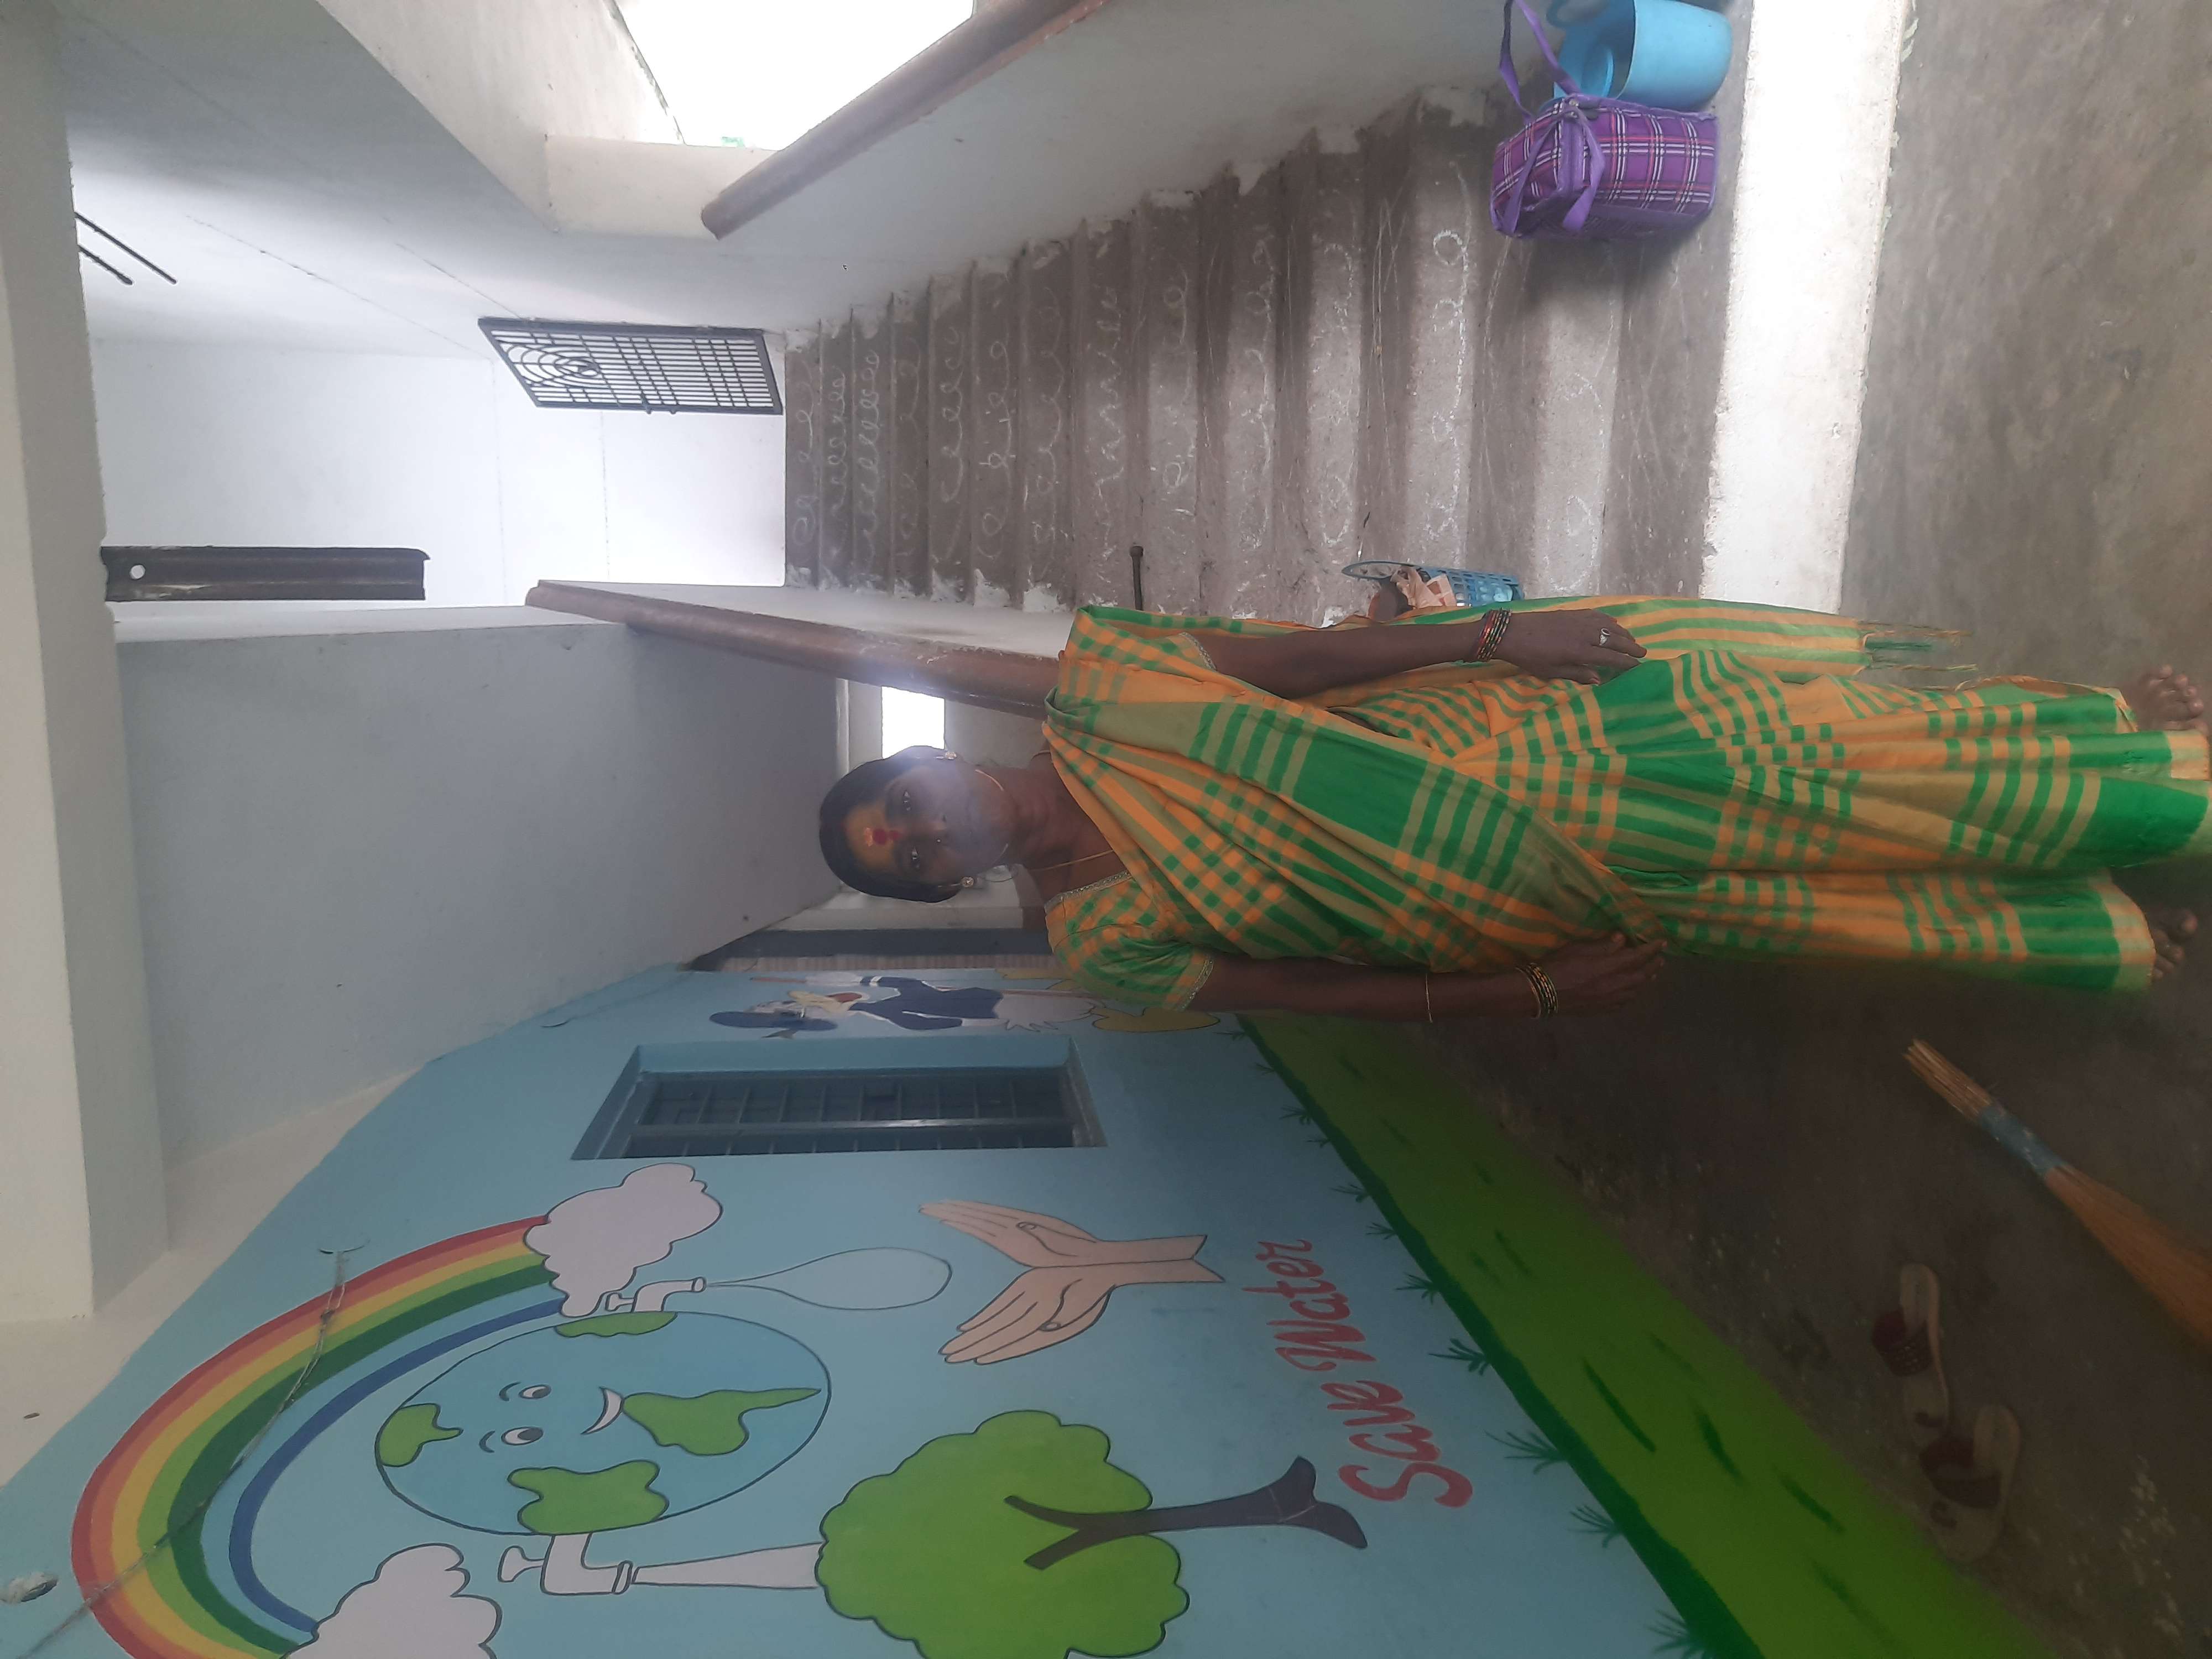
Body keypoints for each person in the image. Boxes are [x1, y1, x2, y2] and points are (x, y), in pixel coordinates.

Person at [816, 598, 2208, 1020]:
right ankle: (2089, 901)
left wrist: (1494, 638)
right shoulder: (1099, 945)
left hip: (1525, 740)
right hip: (1535, 892)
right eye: (912, 860)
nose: (930, 833)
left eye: (906, 805)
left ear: (929, 759)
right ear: (939, 889)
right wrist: (1527, 990)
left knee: (1837, 746)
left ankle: (2123, 756)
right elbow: (1312, 990)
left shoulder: (1104, 688)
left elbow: (1300, 667)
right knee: (1825, 882)